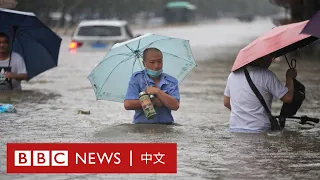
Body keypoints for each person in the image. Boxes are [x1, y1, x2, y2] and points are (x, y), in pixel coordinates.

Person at [224, 55, 297, 133]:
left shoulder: (232, 76)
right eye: (270, 57)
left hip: (235, 129)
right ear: (260, 58)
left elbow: (226, 102)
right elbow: (288, 98)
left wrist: (244, 113)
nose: (271, 60)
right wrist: (289, 77)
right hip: (259, 130)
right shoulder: (266, 75)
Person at [124, 47, 180, 124]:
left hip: (166, 126)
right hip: (141, 126)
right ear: (144, 63)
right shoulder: (137, 78)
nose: (156, 66)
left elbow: (175, 105)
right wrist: (151, 101)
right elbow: (128, 104)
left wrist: (157, 91)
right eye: (152, 62)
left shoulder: (171, 81)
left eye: (159, 61)